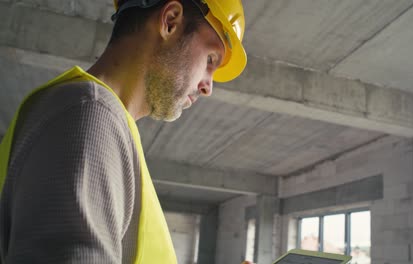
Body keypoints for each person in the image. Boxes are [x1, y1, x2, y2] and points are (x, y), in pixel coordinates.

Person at [0, 0, 247, 263]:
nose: (208, 87)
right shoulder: (89, 116)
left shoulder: (101, 119)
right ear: (170, 21)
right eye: (211, 59)